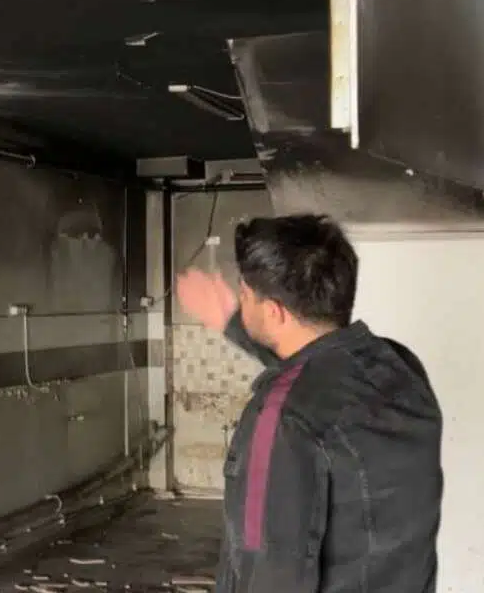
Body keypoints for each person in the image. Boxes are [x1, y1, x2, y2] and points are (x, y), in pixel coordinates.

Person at [176, 214, 442, 593]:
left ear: (274, 312)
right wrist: (230, 320)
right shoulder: (399, 367)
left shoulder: (284, 415)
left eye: (245, 295)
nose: (241, 300)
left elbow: (270, 573)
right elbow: (319, 369)